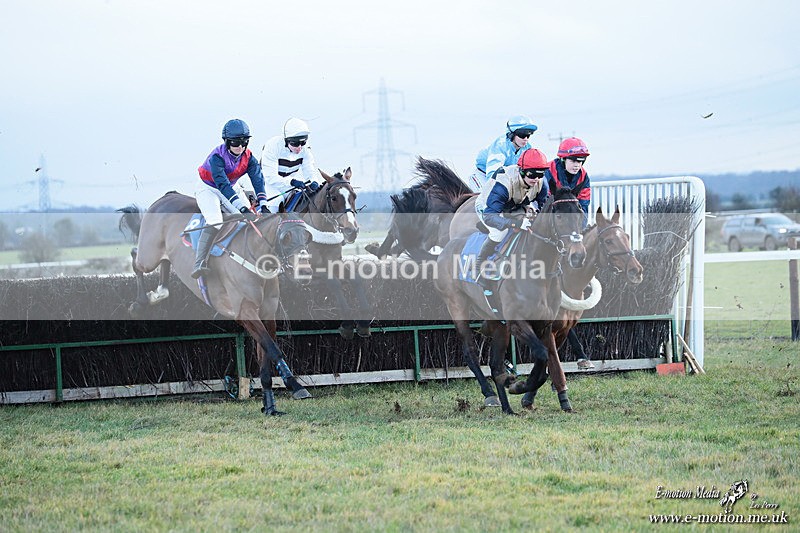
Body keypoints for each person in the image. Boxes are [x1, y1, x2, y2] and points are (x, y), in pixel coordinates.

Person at [192, 118, 270, 279]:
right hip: (209, 188)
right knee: (214, 221)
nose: (240, 147)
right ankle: (199, 262)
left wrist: (263, 204)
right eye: (235, 143)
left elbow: (258, 179)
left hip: (231, 186)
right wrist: (242, 208)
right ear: (227, 142)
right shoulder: (217, 158)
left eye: (243, 142)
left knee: (251, 219)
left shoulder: (249, 157)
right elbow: (223, 186)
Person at [474, 148, 551, 269]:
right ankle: (479, 264)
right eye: (532, 174)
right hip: (488, 208)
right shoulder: (504, 183)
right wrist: (516, 223)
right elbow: (490, 216)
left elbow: (544, 210)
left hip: (514, 204)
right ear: (521, 171)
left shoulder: (542, 183)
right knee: (500, 233)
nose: (536, 179)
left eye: (540, 174)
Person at [260, 118, 321, 212]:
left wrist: (314, 182)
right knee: (277, 201)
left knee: (301, 199)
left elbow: (310, 171)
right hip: (269, 185)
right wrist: (292, 182)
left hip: (287, 184)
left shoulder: (305, 149)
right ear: (286, 140)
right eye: (295, 143)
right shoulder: (273, 146)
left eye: (303, 142)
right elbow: (271, 177)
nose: (299, 148)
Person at [468, 115, 539, 191]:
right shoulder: (501, 145)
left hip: (504, 178)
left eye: (528, 135)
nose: (526, 139)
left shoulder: (527, 148)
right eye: (522, 135)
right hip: (482, 176)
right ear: (511, 134)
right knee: (487, 198)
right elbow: (492, 174)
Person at [545, 137, 591, 224]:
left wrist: (580, 232)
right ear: (563, 159)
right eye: (573, 161)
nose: (577, 165)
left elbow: (583, 207)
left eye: (580, 161)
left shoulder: (584, 177)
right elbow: (544, 204)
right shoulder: (548, 172)